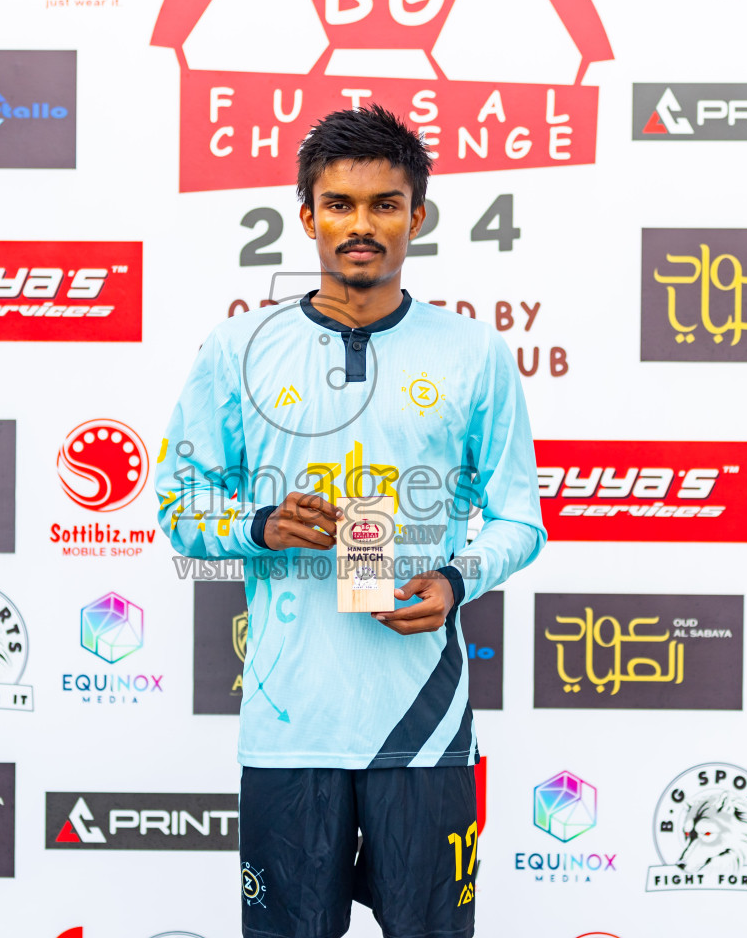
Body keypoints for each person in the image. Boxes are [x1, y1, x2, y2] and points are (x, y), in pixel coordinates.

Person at [157, 104, 545, 938]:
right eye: (339, 204)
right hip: (291, 724)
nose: (360, 226)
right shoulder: (238, 350)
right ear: (306, 216)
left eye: (383, 204)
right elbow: (177, 507)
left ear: (418, 216)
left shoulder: (474, 354)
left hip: (424, 724)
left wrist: (453, 578)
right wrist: (260, 525)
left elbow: (521, 519)